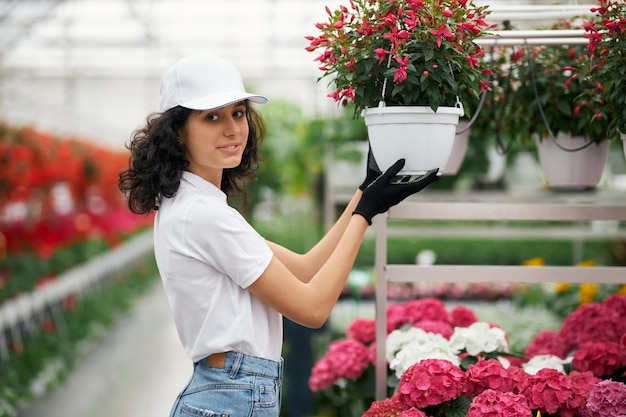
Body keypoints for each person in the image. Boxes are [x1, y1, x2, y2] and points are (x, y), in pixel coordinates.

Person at [118, 53, 439, 417]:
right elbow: (312, 309)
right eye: (212, 117)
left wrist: (364, 195)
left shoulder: (195, 205)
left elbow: (304, 268)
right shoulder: (203, 215)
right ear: (177, 131)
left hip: (227, 392)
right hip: (231, 396)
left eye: (238, 112)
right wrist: (365, 214)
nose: (232, 128)